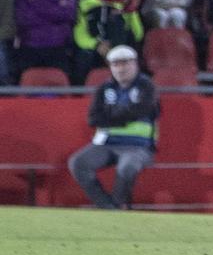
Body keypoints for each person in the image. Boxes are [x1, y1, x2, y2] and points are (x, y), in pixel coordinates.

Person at [67, 45, 158, 209]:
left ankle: (116, 205)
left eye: (125, 63)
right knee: (78, 163)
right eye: (115, 64)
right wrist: (125, 115)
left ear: (135, 64)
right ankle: (107, 207)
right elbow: (93, 119)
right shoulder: (104, 89)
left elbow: (143, 109)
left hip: (138, 147)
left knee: (127, 167)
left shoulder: (147, 86)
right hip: (106, 144)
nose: (120, 69)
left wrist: (111, 115)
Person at [13, 0, 77, 80]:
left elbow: (67, 15)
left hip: (58, 47)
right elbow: (23, 19)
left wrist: (35, 6)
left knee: (61, 84)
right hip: (29, 47)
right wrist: (53, 10)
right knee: (27, 83)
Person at [73, 0, 143, 74]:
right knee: (83, 58)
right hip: (94, 49)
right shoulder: (82, 4)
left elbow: (137, 34)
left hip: (120, 47)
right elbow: (80, 35)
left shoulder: (123, 2)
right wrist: (97, 45)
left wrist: (131, 12)